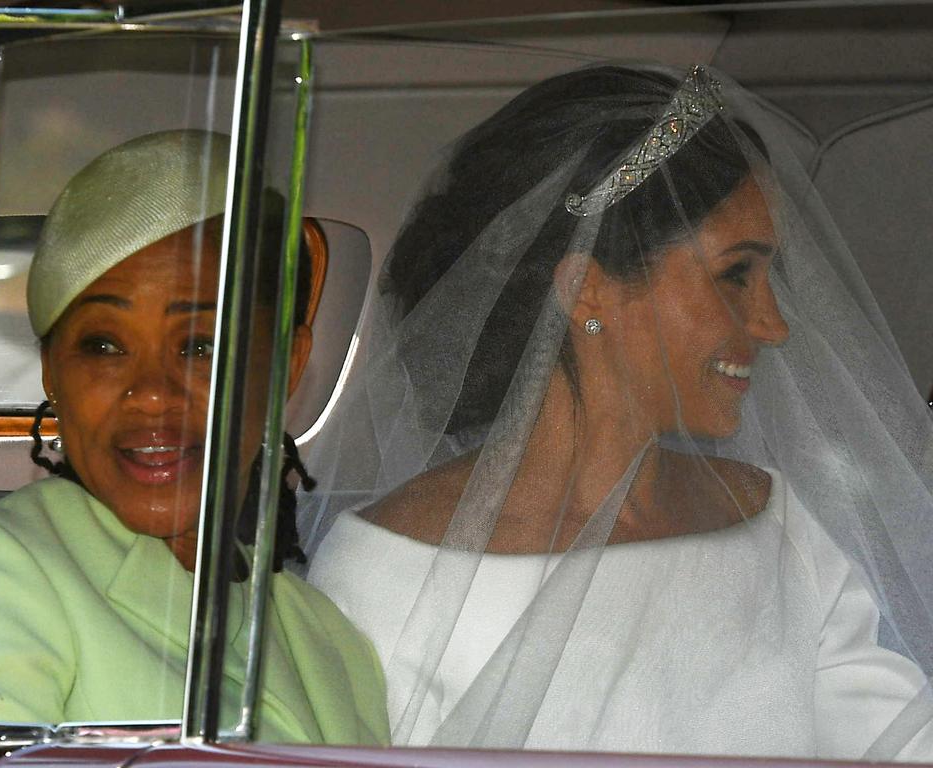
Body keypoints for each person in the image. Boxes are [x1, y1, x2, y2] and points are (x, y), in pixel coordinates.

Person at [299, 63, 933, 758]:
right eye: (735, 274)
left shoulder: (782, 527)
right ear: (587, 291)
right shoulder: (387, 571)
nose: (774, 324)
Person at [0, 130, 389, 745]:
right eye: (103, 346)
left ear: (286, 365)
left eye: (201, 346)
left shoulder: (330, 644)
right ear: (52, 370)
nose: (151, 393)